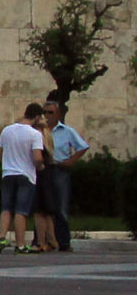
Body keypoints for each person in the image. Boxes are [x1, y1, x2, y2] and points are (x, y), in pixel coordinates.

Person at [0, 104, 46, 256]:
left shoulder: (7, 130)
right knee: (21, 210)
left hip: (8, 173)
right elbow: (37, 157)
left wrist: (7, 162)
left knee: (6, 208)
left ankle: (2, 238)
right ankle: (21, 244)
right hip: (26, 175)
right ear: (37, 117)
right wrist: (41, 166)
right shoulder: (35, 134)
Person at [40, 94, 88, 253]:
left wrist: (71, 161)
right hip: (43, 169)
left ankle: (63, 241)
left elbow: (82, 146)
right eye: (44, 112)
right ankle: (42, 240)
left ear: (58, 114)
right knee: (42, 206)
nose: (47, 116)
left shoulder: (67, 131)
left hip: (60, 169)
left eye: (50, 112)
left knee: (60, 206)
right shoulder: (39, 131)